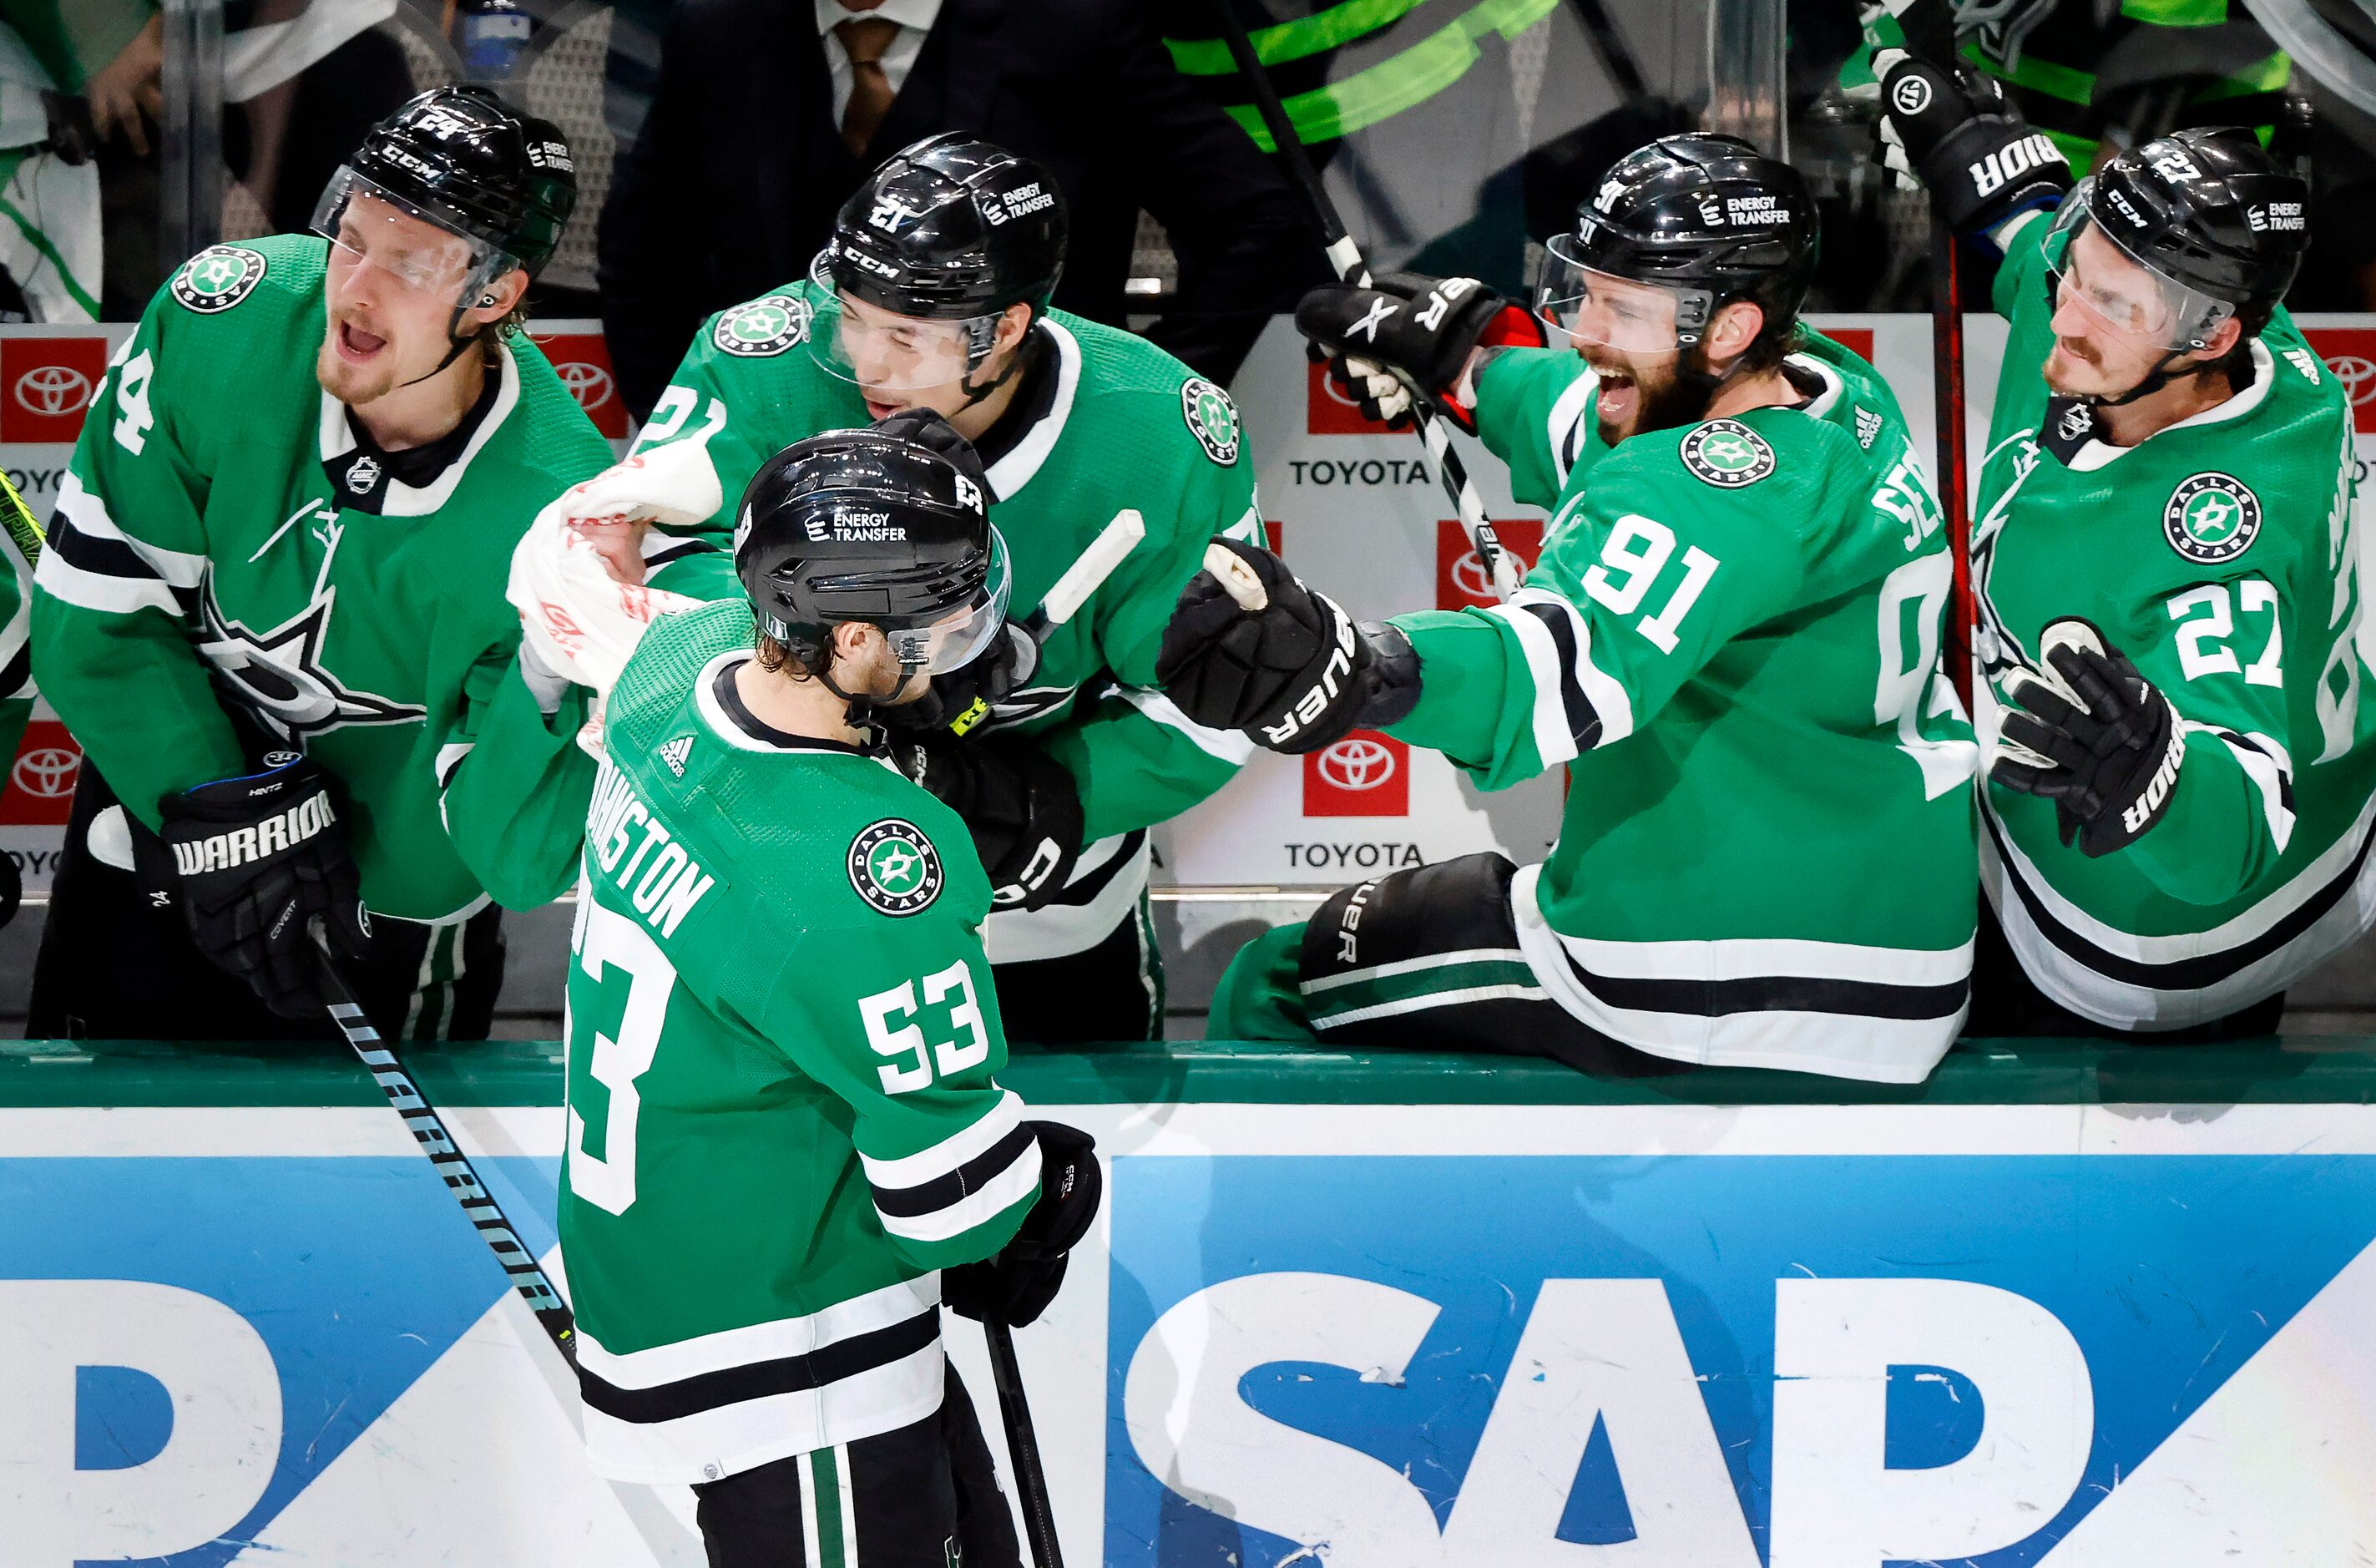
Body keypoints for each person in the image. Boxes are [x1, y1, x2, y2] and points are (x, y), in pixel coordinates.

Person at [1165, 133, 1980, 1083]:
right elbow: (1594, 420)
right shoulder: (1830, 392)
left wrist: (1351, 663)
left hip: (1726, 966)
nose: (1583, 330)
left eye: (1618, 310)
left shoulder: (1712, 491)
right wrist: (1465, 366)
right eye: (1583, 291)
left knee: (1271, 980)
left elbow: (1547, 672)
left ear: (1726, 329)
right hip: (1881, 914)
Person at [501, 134, 1263, 1043]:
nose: (866, 362)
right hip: (776, 899)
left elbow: (1211, 706)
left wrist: (1049, 798)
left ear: (1007, 329)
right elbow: (649, 564)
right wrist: (821, 648)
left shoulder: (1161, 439)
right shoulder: (764, 363)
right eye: (852, 315)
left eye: (906, 336)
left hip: (1042, 920)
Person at [559, 427, 1100, 1565]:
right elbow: (951, 1201)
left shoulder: (674, 668)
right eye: (934, 625)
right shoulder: (871, 874)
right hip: (794, 1355)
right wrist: (1037, 1187)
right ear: (848, 634)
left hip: (674, 1274)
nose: (955, 650)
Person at [25, 85, 612, 1040]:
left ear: (494, 295)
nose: (358, 286)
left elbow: (516, 849)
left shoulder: (556, 515)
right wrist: (215, 803)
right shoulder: (231, 320)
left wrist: (369, 882)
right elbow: (98, 613)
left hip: (380, 920)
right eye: (353, 233)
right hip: (158, 819)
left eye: (412, 263)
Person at [1876, 41, 2376, 1034]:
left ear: (2209, 340)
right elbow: (2042, 245)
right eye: (2078, 270)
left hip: (2158, 932)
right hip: (2308, 810)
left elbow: (2228, 832)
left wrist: (2157, 776)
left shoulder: (2213, 539)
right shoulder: (2207, 326)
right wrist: (1971, 143)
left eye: (2109, 304)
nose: (2060, 315)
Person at [594, 0, 1324, 416]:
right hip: (778, 476)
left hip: (1021, 480)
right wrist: (692, 431)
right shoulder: (721, 28)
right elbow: (642, 263)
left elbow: (1260, 225)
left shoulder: (1072, 25)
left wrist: (1131, 398)